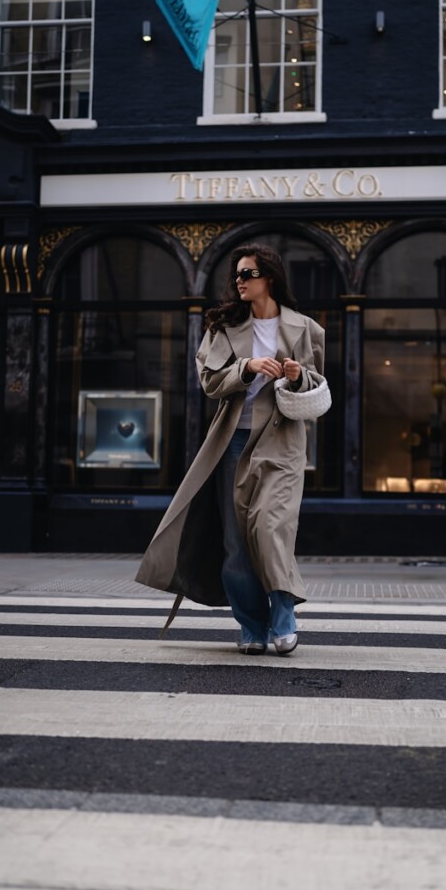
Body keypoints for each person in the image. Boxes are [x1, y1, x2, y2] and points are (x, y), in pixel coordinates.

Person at [135, 242, 326, 655]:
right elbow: (209, 383)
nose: (238, 281)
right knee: (236, 542)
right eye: (236, 275)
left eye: (247, 274)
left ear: (268, 278)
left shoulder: (305, 328)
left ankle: (284, 618)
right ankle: (252, 626)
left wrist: (295, 375)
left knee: (272, 528)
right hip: (232, 443)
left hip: (283, 441)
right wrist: (247, 367)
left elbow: (316, 388)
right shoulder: (222, 329)